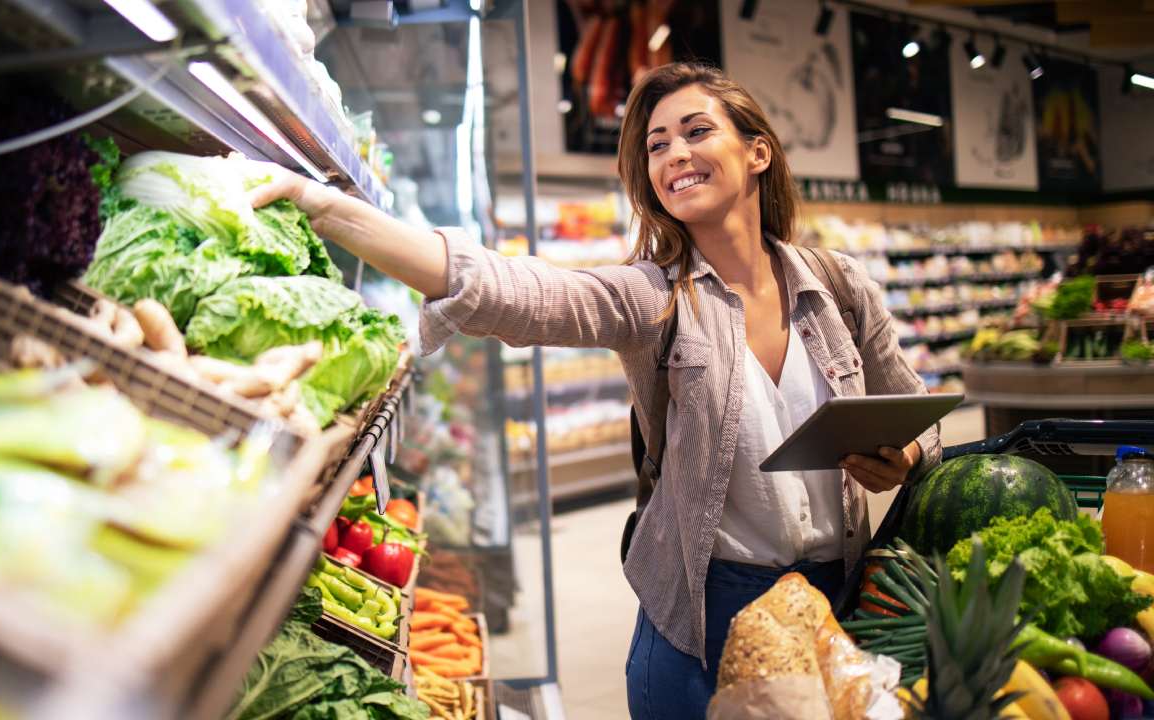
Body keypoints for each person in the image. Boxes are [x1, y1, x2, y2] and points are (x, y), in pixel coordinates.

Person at [248, 62, 941, 719]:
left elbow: (922, 419)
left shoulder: (840, 286)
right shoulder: (654, 297)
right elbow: (516, 293)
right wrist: (323, 207)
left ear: (758, 152)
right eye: (656, 145)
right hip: (703, 613)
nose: (673, 154)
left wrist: (904, 459)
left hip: (837, 600)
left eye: (697, 132)